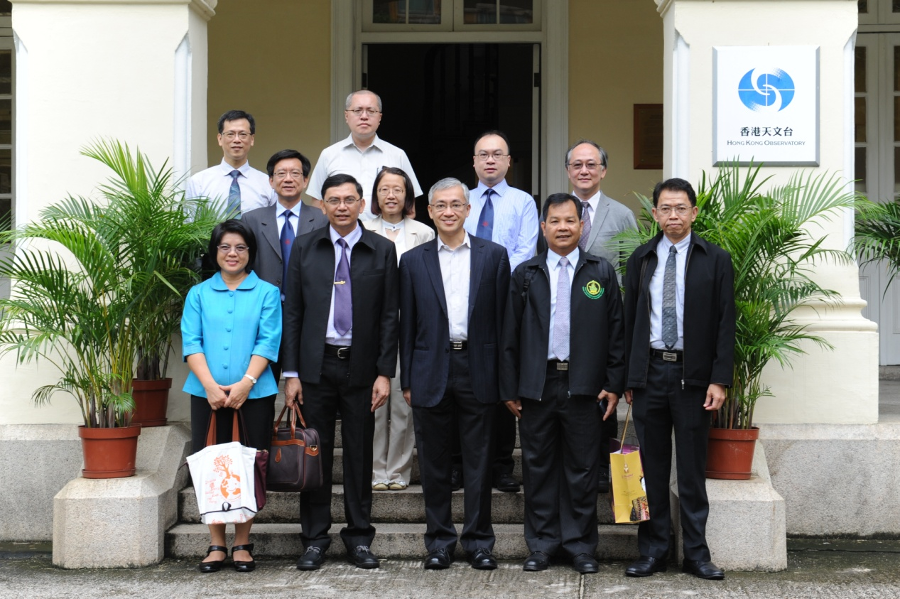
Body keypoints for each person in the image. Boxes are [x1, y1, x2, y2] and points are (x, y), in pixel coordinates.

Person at [500, 193, 625, 574]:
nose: (563, 228)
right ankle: (540, 545)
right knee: (538, 469)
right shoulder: (526, 274)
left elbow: (617, 333)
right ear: (543, 227)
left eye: (570, 221)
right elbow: (510, 334)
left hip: (585, 387)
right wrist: (510, 387)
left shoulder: (600, 272)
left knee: (583, 470)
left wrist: (614, 383)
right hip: (537, 386)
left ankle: (580, 546)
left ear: (581, 225)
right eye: (555, 221)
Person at [281, 173, 399, 571]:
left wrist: (385, 372)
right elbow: (293, 312)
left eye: (350, 199)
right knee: (314, 455)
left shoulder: (382, 249)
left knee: (359, 453)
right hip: (315, 366)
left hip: (362, 367)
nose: (342, 206)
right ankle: (315, 539)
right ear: (323, 206)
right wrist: (291, 372)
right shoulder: (304, 247)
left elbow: (389, 316)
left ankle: (359, 537)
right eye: (334, 200)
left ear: (363, 204)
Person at [622, 178, 735, 581]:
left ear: (694, 212)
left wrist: (719, 379)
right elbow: (630, 324)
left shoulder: (715, 259)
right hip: (650, 374)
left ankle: (697, 554)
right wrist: (630, 380)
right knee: (650, 469)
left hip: (693, 378)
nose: (673, 215)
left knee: (690, 471)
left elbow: (726, 323)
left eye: (681, 208)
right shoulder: (641, 259)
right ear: (654, 214)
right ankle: (653, 551)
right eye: (666, 208)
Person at [399, 177, 509, 570]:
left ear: (468, 209)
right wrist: (407, 379)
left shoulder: (493, 256)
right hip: (430, 371)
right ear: (430, 211)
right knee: (434, 462)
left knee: (479, 460)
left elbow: (503, 322)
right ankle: (440, 542)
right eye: (441, 205)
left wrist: (503, 379)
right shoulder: (413, 261)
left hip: (478, 368)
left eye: (456, 205)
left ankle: (479, 542)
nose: (448, 211)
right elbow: (407, 325)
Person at [181, 219, 282, 573]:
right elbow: (191, 342)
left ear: (250, 253)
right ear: (215, 252)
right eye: (225, 247)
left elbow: (268, 341)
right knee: (210, 465)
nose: (232, 254)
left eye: (240, 247)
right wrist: (209, 385)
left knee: (247, 464)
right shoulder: (198, 294)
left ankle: (242, 542)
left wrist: (245, 383)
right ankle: (215, 543)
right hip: (204, 392)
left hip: (254, 393)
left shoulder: (267, 292)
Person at [463, 130, 539, 494]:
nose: (490, 160)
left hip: (508, 298)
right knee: (467, 383)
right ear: (474, 162)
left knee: (503, 381)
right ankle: (463, 463)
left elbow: (526, 249)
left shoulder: (523, 201)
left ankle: (502, 465)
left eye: (498, 154)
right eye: (483, 154)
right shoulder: (461, 201)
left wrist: (494, 280)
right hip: (464, 300)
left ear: (509, 161)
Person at [565, 139, 637, 493]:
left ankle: (605, 472)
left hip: (605, 324)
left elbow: (631, 274)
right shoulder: (557, 212)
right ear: (568, 171)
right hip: (563, 324)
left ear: (603, 171)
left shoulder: (621, 214)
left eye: (591, 165)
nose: (584, 171)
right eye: (577, 165)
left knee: (603, 398)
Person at [365, 167, 435, 492]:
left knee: (404, 400)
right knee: (376, 401)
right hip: (374, 327)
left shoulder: (424, 232)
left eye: (397, 189)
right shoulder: (362, 229)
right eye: (384, 189)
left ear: (408, 195)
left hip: (411, 325)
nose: (391, 195)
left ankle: (399, 471)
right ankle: (377, 471)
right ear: (375, 196)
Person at [242, 149, 328, 380]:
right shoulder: (251, 219)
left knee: (307, 388)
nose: (288, 179)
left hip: (308, 315)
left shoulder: (323, 219)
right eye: (281, 173)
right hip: (263, 315)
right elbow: (244, 266)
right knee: (260, 386)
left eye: (295, 173)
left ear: (306, 180)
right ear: (271, 180)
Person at [307, 90, 422, 220]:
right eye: (357, 110)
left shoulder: (397, 155)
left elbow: (409, 207)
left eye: (371, 111)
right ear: (346, 116)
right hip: (341, 236)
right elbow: (317, 202)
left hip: (386, 236)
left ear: (380, 117)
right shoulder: (329, 154)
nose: (364, 116)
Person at [185, 110, 276, 215]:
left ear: (252, 139)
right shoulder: (199, 182)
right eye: (230, 134)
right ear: (220, 139)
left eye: (242, 134)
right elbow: (190, 224)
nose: (237, 140)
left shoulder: (267, 184)